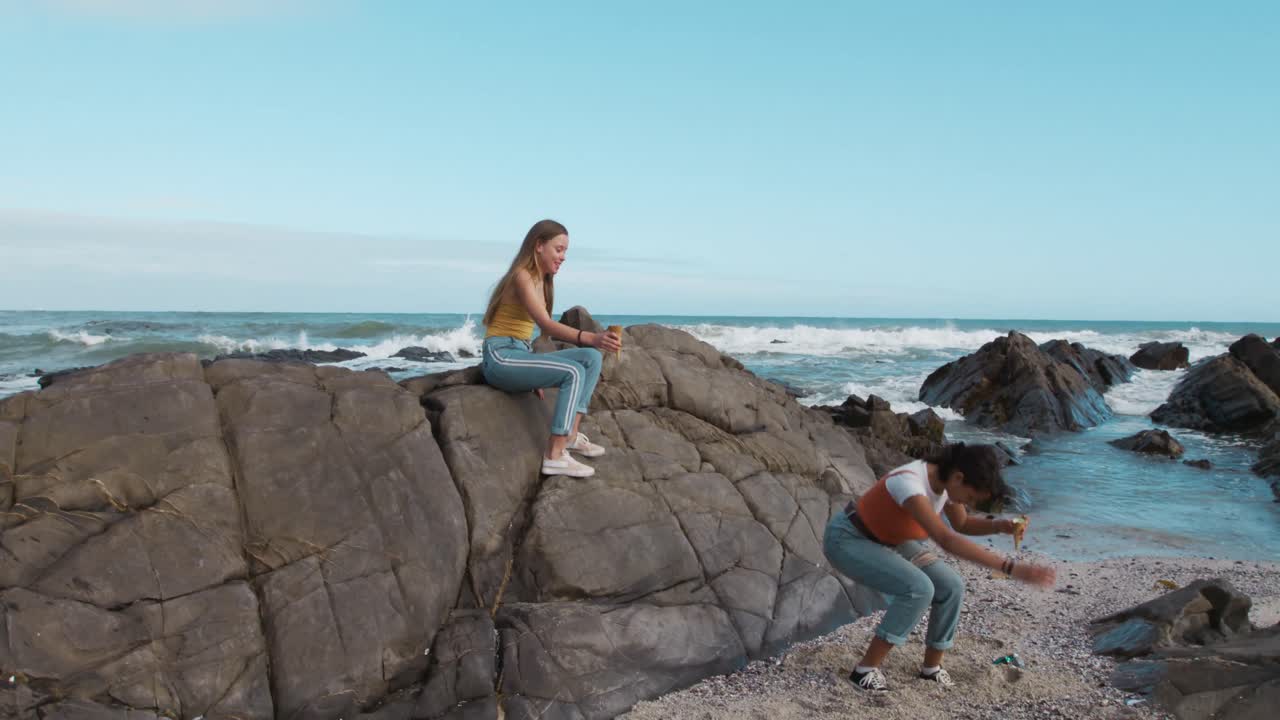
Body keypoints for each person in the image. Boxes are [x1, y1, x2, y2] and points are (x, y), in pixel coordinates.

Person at [823, 442, 1056, 692]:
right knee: (918, 588)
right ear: (959, 477)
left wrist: (999, 525)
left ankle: (931, 669)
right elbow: (946, 540)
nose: (968, 502)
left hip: (890, 540)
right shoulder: (911, 484)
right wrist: (1012, 568)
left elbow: (962, 524)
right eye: (970, 497)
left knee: (951, 586)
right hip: (850, 539)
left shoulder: (946, 481)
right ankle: (865, 671)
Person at [480, 219, 621, 478]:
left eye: (565, 251)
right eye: (559, 249)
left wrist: (534, 371)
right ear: (539, 246)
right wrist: (592, 337)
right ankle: (554, 456)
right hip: (500, 356)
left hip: (519, 354)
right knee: (573, 371)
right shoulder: (522, 276)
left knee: (591, 358)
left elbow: (536, 334)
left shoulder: (542, 282)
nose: (563, 257)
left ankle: (570, 437)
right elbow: (545, 324)